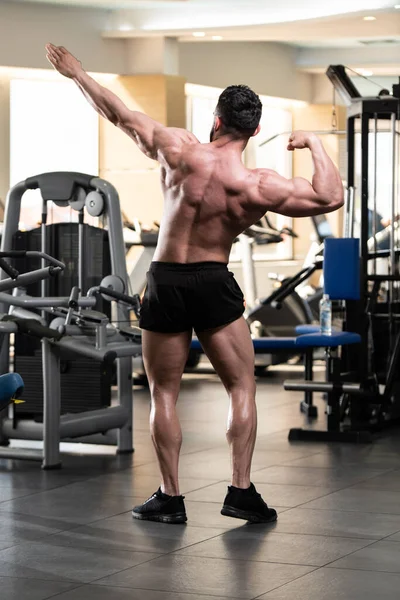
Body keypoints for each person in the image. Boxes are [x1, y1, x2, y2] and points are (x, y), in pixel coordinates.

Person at [46, 43, 344, 525]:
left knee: (164, 393)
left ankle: (170, 496)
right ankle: (240, 492)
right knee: (241, 385)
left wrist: (76, 71)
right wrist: (312, 143)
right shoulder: (257, 184)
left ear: (217, 118)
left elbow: (116, 111)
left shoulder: (177, 149)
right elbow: (331, 196)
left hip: (164, 279)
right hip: (212, 280)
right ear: (256, 129)